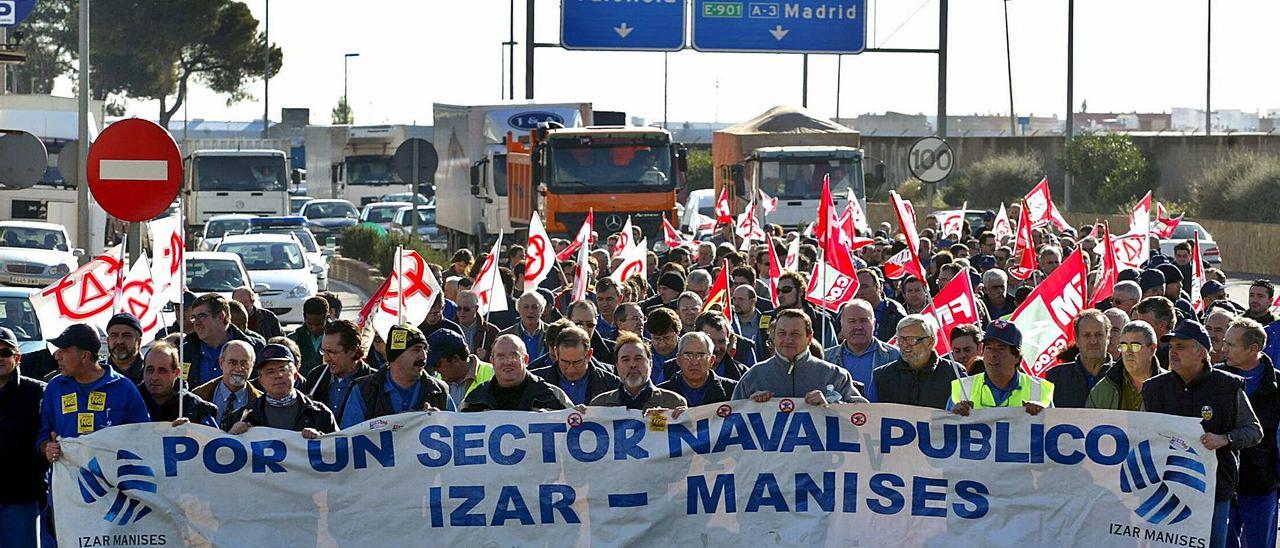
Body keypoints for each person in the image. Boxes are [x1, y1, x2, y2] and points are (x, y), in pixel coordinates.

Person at [1143, 319, 1262, 548]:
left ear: (1201, 352)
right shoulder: (1154, 388)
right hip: (1165, 489)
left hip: (1214, 490)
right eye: (1172, 347)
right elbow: (1141, 432)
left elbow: (1254, 431)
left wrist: (1225, 439)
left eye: (1181, 346)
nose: (1173, 353)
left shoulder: (1228, 387)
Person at [38, 324, 151, 460]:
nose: (57, 356)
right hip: (67, 478)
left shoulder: (123, 388)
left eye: (64, 350)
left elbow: (143, 436)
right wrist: (47, 447)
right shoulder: (55, 386)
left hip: (111, 478)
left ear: (85, 356)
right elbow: (43, 432)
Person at [1217, 318, 1279, 548]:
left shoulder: (1277, 385)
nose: (1223, 349)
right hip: (1222, 483)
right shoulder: (1216, 379)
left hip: (1261, 486)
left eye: (1231, 345)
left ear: (1253, 349)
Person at [732, 309, 867, 404]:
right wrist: (749, 406)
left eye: (795, 334)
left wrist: (832, 406)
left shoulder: (835, 375)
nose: (788, 340)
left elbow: (863, 417)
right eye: (782, 333)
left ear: (809, 337)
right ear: (773, 337)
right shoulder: (754, 376)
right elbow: (731, 420)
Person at [340, 324, 453, 428]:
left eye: (425, 349)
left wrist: (440, 421)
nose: (424, 356)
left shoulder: (440, 391)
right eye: (416, 349)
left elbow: (457, 435)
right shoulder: (364, 390)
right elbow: (349, 439)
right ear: (396, 355)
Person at [226, 344, 337, 437]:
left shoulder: (320, 414)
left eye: (283, 369)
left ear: (294, 375)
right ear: (261, 380)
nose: (278, 375)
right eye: (270, 371)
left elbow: (339, 450)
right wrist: (232, 436)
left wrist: (321, 438)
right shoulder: (242, 416)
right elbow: (224, 455)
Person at [0, 326, 46, 547]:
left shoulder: (37, 392)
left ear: (17, 357)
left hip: (22, 497)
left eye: (5, 353)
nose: (0, 358)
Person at [949, 321, 1053, 415]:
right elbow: (942, 430)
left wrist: (1044, 415)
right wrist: (953, 416)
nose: (993, 354)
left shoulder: (1039, 390)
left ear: (1016, 357)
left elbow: (1055, 430)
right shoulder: (963, 388)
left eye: (1001, 349)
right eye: (988, 348)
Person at [870, 314, 965, 409]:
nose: (905, 345)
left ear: (930, 341)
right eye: (900, 339)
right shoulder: (881, 376)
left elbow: (968, 411)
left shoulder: (954, 373)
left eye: (912, 339)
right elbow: (871, 413)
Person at [461, 334, 572, 412]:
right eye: (501, 357)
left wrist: (581, 415)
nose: (507, 362)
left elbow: (574, 426)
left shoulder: (553, 396)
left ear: (526, 360)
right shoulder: (473, 401)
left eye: (514, 356)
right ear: (492, 361)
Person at [184, 293, 267, 387]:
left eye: (202, 316)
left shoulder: (255, 348)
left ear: (220, 316)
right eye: (194, 318)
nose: (196, 323)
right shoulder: (185, 351)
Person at [303, 320, 377, 423]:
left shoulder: (375, 381)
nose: (326, 358)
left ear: (352, 351)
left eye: (332, 352)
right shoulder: (315, 377)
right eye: (323, 351)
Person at [590, 332, 687, 411]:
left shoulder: (673, 403)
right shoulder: (599, 406)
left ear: (650, 363)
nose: (633, 365)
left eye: (638, 358)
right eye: (626, 359)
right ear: (617, 366)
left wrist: (685, 419)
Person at [529, 325, 620, 406]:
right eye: (565, 362)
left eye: (577, 362)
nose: (571, 370)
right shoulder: (534, 383)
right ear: (556, 353)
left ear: (589, 355)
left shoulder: (612, 384)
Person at [1086, 321, 1165, 411]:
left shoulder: (1170, 387)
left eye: (1135, 346)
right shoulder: (1103, 389)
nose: (1128, 352)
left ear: (1152, 349)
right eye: (1123, 346)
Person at [823, 300, 901, 388]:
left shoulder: (896, 357)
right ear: (842, 324)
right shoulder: (825, 359)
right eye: (852, 321)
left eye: (864, 321)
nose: (858, 327)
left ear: (874, 324)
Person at [1045, 310, 1114, 408]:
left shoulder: (1123, 375)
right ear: (1077, 339)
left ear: (1108, 338)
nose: (1093, 341)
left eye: (1098, 335)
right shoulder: (1055, 377)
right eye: (1087, 335)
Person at [140, 341, 217, 427]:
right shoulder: (130, 401)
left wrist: (193, 431)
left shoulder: (196, 408)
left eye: (162, 371)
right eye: (150, 370)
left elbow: (214, 438)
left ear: (176, 373)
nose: (154, 377)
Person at [192, 340, 263, 427]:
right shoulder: (198, 396)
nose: (238, 368)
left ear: (252, 365)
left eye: (244, 363)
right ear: (221, 363)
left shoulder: (261, 403)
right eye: (233, 362)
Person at [659, 332, 737, 407]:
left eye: (701, 356)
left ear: (711, 360)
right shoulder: (659, 395)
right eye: (688, 355)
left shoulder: (734, 391)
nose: (694, 362)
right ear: (678, 360)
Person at [428, 329, 494, 407]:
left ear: (456, 359)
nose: (435, 369)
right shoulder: (436, 382)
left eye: (437, 364)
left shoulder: (494, 375)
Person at [695, 312, 751, 382]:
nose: (717, 348)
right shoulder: (679, 370)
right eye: (711, 341)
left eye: (722, 341)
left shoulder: (744, 375)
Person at [855, 268, 906, 342]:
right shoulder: (849, 311)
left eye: (864, 287)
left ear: (877, 287)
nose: (860, 292)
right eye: (857, 287)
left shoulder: (895, 311)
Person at [568, 299, 617, 366]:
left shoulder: (614, 350)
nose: (584, 329)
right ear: (569, 322)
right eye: (579, 324)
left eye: (590, 324)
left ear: (596, 322)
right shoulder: (557, 348)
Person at [501, 292, 548, 359]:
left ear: (541, 310)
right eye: (526, 307)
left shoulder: (552, 333)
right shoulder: (505, 336)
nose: (530, 311)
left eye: (534, 307)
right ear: (518, 309)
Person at [455, 290, 500, 361]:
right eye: (458, 308)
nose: (462, 312)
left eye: (466, 309)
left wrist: (487, 356)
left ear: (476, 308)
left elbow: (501, 357)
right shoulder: (449, 329)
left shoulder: (490, 331)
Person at [288, 296, 329, 372]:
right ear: (304, 316)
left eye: (318, 324)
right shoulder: (293, 340)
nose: (314, 328)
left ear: (327, 317)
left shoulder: (337, 338)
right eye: (310, 324)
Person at [105, 312, 145, 384]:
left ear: (138, 342)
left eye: (126, 335)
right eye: (114, 335)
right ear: (108, 340)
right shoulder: (96, 374)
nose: (119, 341)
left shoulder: (151, 373)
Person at [646, 308, 682, 379]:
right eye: (657, 339)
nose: (662, 344)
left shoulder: (688, 353)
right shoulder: (642, 355)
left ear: (677, 333)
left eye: (667, 338)